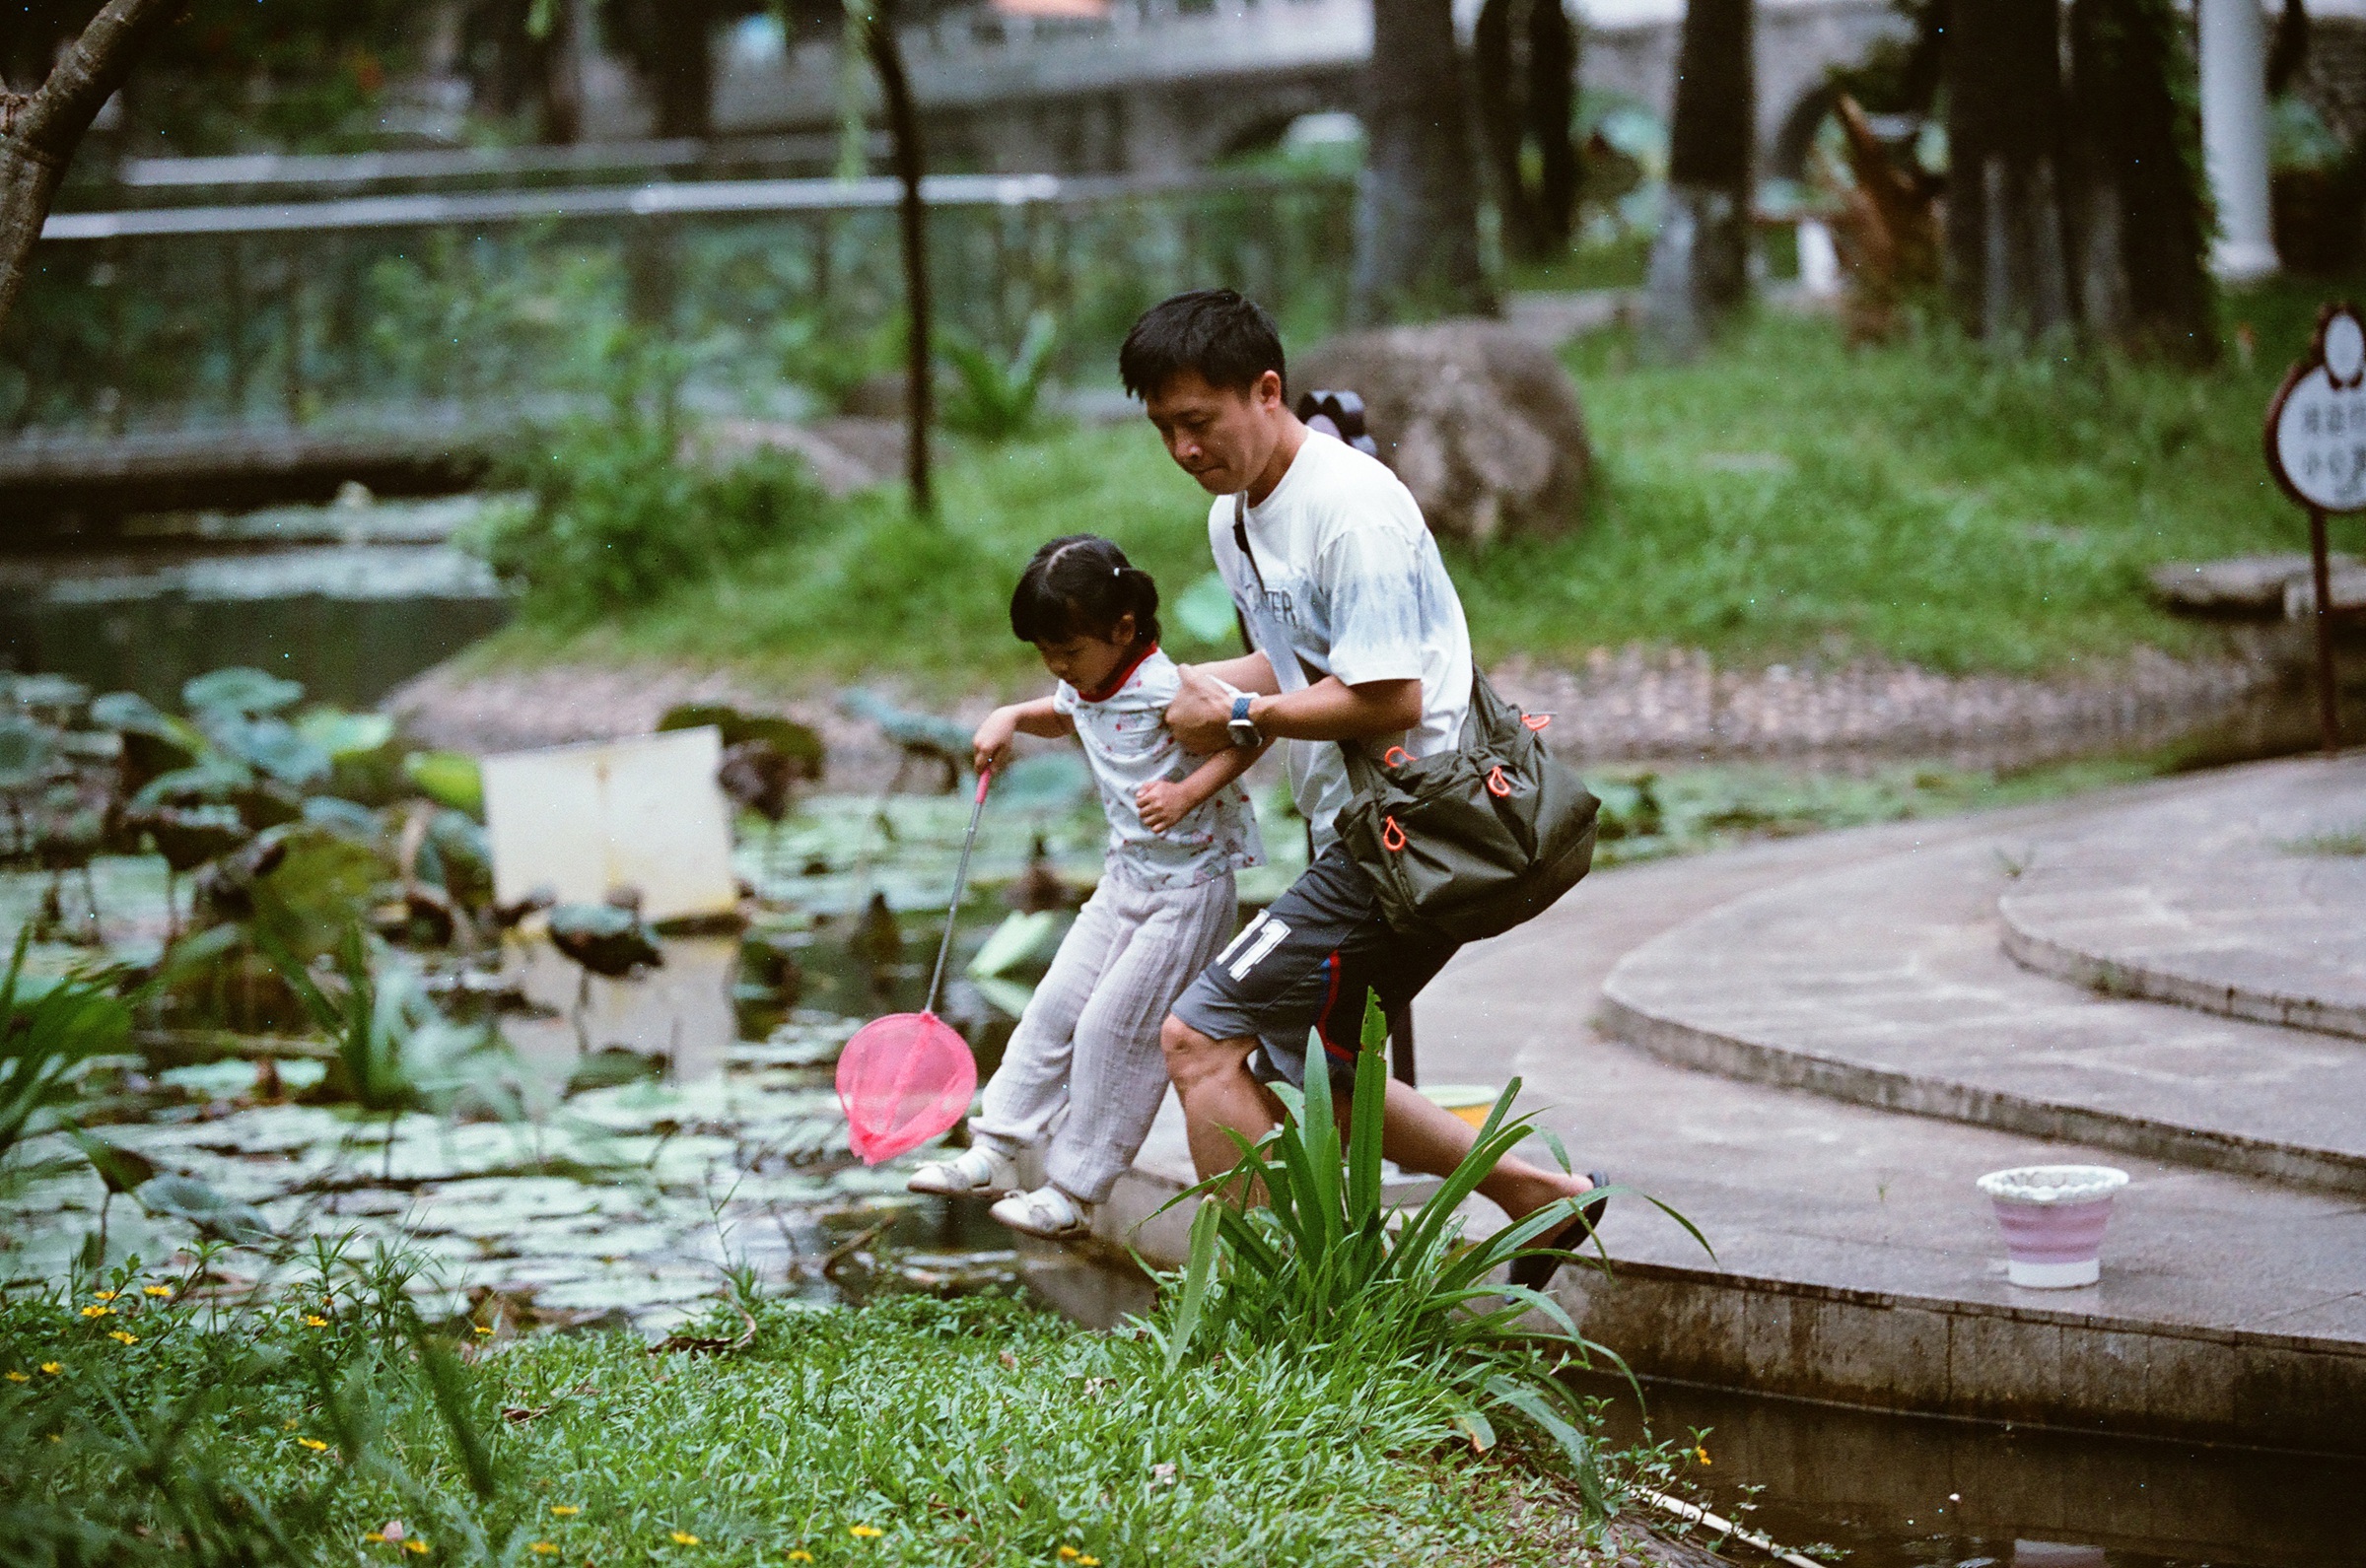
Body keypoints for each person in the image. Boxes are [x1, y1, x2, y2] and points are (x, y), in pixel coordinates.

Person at [1122, 289, 1603, 1287]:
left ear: (1267, 390)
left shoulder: (1352, 509)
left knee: (1201, 1036)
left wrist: (1239, 720)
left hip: (1416, 831)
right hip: (1355, 825)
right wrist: (1158, 695)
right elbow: (1295, 665)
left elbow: (1385, 695)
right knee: (1323, 1072)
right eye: (1163, 428)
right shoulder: (1236, 518)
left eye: (1198, 423)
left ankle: (1281, 1308)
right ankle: (1533, 1196)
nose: (1183, 449)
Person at [908, 534, 1266, 1239]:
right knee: (1052, 1006)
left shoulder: (1171, 687)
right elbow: (1065, 708)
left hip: (1187, 893)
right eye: (1046, 655)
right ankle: (997, 1148)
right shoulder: (1088, 681)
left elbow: (1251, 734)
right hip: (1123, 882)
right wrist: (1010, 714)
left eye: (1067, 652)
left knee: (1112, 1028)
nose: (1058, 668)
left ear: (1123, 628)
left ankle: (1076, 1187)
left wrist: (1190, 792)